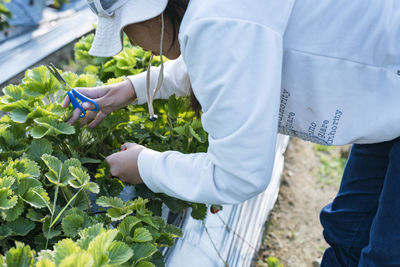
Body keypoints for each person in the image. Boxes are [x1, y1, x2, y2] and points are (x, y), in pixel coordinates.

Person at [62, 0, 400, 266]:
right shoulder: (215, 13)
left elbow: (239, 173)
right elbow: (235, 59)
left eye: (126, 28)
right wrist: (133, 88)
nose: (129, 41)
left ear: (151, 11)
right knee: (349, 227)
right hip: (387, 90)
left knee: (387, 254)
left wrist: (144, 164)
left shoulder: (218, 21)